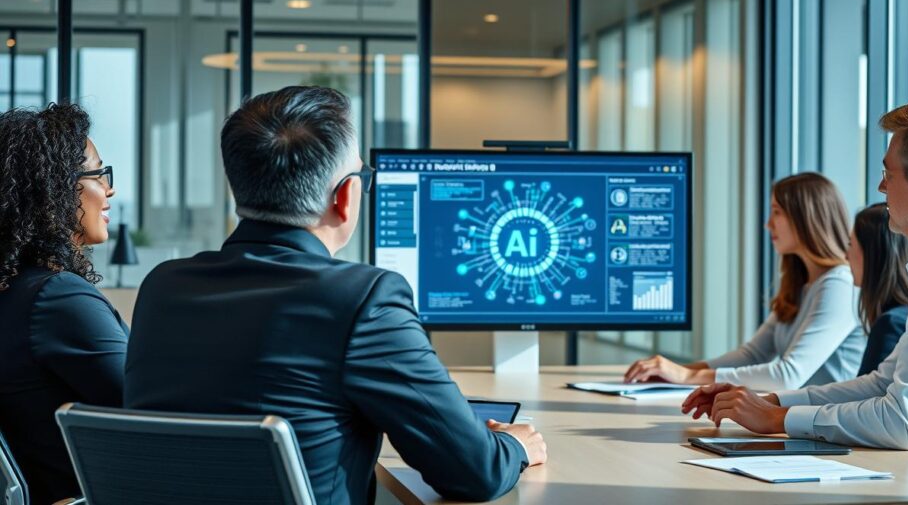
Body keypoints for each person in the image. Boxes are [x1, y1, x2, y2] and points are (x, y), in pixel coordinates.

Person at [125, 86, 546, 505]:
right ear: (345, 196)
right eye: (362, 176)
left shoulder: (162, 287)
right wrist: (514, 448)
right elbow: (475, 472)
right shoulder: (364, 300)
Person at [683, 101, 908, 476]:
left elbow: (903, 422)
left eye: (887, 174)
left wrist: (780, 417)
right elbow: (884, 384)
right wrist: (767, 401)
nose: (880, 187)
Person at [624, 172, 865, 390]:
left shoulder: (840, 285)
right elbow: (752, 355)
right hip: (799, 421)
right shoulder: (802, 285)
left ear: (806, 219)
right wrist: (679, 371)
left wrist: (686, 377)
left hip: (826, 429)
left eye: (777, 212)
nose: (768, 223)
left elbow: (787, 376)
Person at [0, 104, 128, 504]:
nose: (109, 190)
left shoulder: (16, 291)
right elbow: (151, 409)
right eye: (98, 174)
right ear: (54, 185)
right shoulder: (57, 299)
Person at [848, 203, 908, 375]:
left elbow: (866, 398)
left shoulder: (891, 323)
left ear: (873, 254)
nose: (845, 255)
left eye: (850, 244)